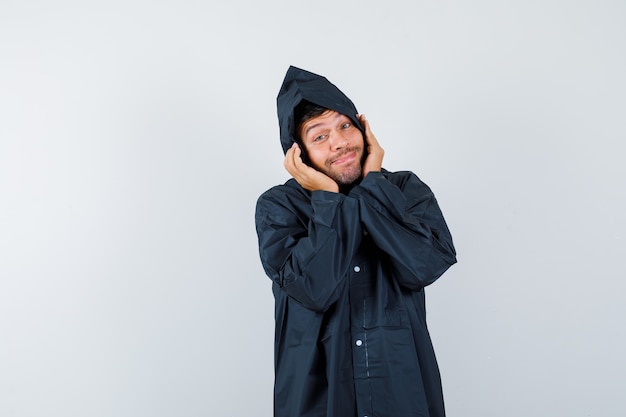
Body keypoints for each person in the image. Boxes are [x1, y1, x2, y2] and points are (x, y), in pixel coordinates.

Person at [255, 66, 457, 417]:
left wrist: (374, 185)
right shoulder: (278, 207)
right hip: (318, 398)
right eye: (319, 136)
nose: (339, 142)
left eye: (345, 126)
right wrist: (328, 200)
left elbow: (426, 264)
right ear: (298, 152)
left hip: (400, 391)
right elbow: (313, 289)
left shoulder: (404, 190)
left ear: (363, 128)